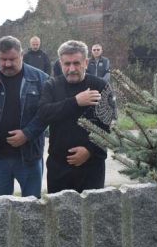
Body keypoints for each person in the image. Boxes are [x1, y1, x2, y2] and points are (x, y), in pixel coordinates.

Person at [0, 36, 49, 200]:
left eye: (12, 59)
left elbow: (46, 114)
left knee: (32, 209)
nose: (7, 64)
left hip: (29, 157)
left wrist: (27, 133)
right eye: (2, 59)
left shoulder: (40, 78)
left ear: (22, 55)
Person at [38, 40, 110, 194]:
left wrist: (90, 150)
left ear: (86, 62)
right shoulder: (51, 86)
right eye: (67, 64)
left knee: (93, 214)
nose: (71, 69)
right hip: (59, 168)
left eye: (76, 63)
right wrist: (76, 102)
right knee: (59, 216)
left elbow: (109, 126)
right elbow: (43, 114)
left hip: (92, 167)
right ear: (60, 63)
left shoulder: (100, 86)